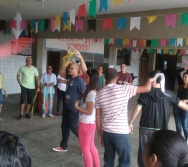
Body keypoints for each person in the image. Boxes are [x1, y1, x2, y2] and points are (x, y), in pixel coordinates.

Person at [96, 68, 154, 167]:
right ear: (117, 77)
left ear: (105, 78)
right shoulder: (124, 89)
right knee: (124, 163)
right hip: (121, 133)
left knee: (108, 162)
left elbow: (98, 119)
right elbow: (147, 88)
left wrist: (100, 135)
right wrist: (151, 78)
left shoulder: (99, 94)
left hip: (107, 133)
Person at [129, 70, 188, 167]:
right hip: (162, 130)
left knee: (144, 151)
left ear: (152, 80)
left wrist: (130, 122)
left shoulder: (145, 94)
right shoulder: (169, 95)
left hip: (145, 128)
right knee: (160, 154)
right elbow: (183, 105)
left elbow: (137, 109)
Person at [52, 58, 86, 152]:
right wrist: (66, 62)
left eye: (72, 68)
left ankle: (85, 147)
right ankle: (63, 146)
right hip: (66, 107)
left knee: (74, 128)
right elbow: (60, 72)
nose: (69, 70)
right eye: (69, 68)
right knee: (65, 127)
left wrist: (79, 104)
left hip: (73, 109)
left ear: (77, 70)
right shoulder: (69, 77)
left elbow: (84, 93)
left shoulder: (79, 80)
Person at [74, 52, 100, 167]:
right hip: (90, 124)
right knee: (91, 147)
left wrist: (77, 107)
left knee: (85, 150)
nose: (85, 78)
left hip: (86, 124)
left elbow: (89, 111)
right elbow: (86, 72)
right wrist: (81, 58)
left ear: (91, 79)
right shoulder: (93, 89)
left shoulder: (91, 94)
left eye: (87, 78)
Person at [173, 67, 188, 142]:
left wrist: (186, 100)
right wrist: (184, 68)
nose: (183, 78)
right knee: (178, 125)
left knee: (185, 126)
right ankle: (179, 140)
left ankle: (186, 140)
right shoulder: (181, 83)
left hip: (185, 108)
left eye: (185, 77)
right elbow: (177, 72)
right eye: (183, 77)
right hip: (176, 106)